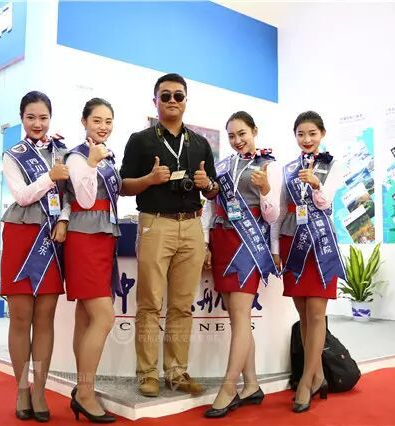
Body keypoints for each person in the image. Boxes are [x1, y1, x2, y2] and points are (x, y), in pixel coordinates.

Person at [120, 73, 218, 397]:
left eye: (178, 95)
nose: (172, 101)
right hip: (155, 223)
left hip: (191, 225)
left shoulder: (200, 143)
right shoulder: (140, 140)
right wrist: (149, 179)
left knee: (182, 305)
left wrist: (207, 185)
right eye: (166, 96)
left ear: (186, 100)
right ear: (155, 101)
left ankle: (177, 372)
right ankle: (147, 374)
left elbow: (214, 190)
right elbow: (122, 186)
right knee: (149, 303)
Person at [201, 112, 281, 418]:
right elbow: (210, 206)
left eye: (242, 133)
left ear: (254, 131)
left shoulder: (268, 165)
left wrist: (265, 190)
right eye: (232, 135)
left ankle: (228, 388)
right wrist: (206, 242)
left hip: (248, 243)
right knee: (238, 320)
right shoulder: (223, 165)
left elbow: (273, 215)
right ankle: (251, 385)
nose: (237, 140)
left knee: (240, 314)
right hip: (222, 240)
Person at [0, 91, 70, 422]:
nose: (38, 123)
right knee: (20, 319)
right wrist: (49, 177)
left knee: (44, 320)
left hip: (52, 238)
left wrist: (65, 219)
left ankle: (40, 390)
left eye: (43, 117)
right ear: (22, 119)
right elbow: (22, 196)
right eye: (31, 117)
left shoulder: (62, 152)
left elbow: (69, 196)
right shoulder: (13, 155)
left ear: (50, 118)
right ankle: (21, 389)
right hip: (21, 235)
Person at [271, 111, 346, 413]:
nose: (306, 139)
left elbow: (326, 203)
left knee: (317, 314)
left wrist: (316, 184)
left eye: (312, 133)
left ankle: (305, 381)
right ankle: (317, 376)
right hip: (292, 242)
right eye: (301, 134)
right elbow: (280, 209)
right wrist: (275, 248)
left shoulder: (333, 165)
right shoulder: (288, 168)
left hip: (320, 243)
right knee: (303, 313)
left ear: (322, 134)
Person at [64, 98, 119, 423]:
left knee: (85, 318)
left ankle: (83, 387)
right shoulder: (77, 156)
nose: (103, 126)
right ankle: (85, 394)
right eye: (97, 120)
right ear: (84, 121)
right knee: (104, 317)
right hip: (84, 237)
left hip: (103, 236)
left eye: (108, 121)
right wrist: (91, 163)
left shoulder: (107, 156)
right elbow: (84, 199)